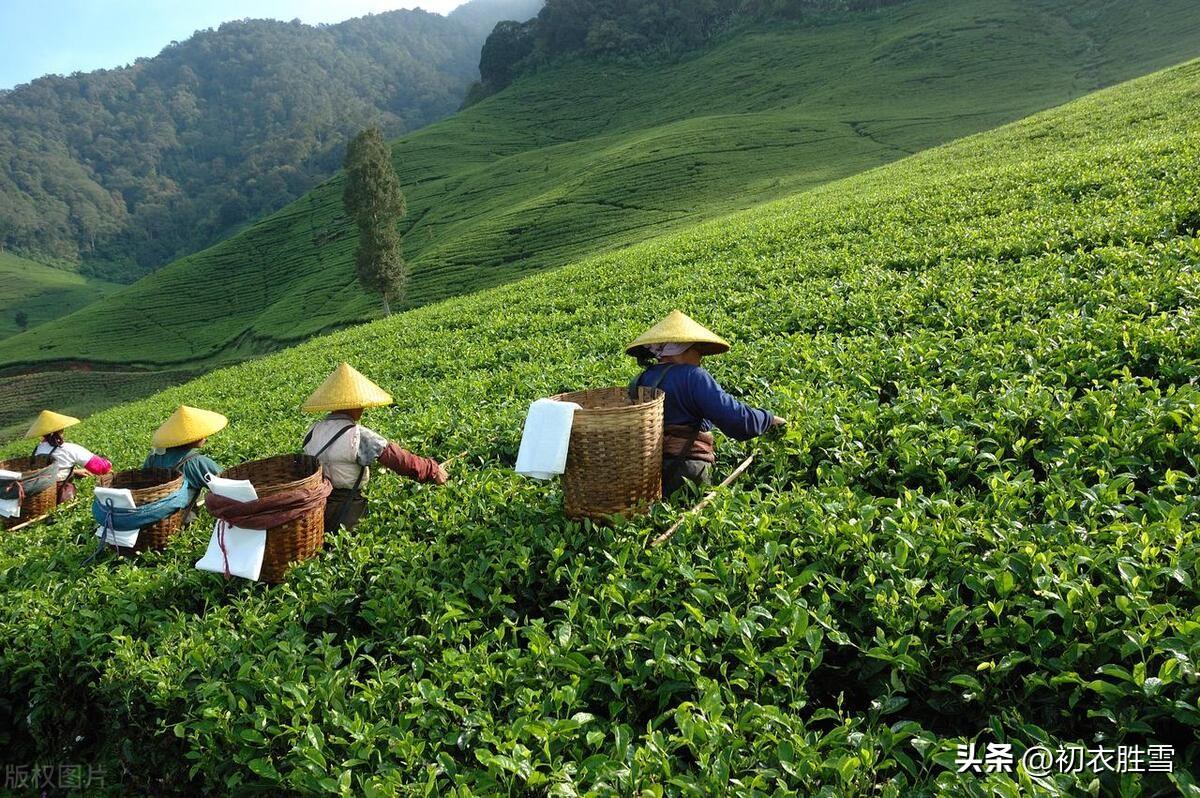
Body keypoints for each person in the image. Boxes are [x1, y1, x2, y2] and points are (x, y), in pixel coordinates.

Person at [626, 310, 785, 496]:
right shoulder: (693, 377)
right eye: (697, 350)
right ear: (682, 348)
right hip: (686, 474)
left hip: (647, 479)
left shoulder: (638, 381)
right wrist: (768, 419)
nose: (700, 358)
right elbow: (737, 421)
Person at [301, 362, 447, 533]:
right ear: (353, 405)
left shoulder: (312, 431)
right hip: (348, 507)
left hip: (318, 507)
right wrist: (432, 469)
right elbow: (398, 459)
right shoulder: (358, 436)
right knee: (351, 543)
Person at [143, 405, 227, 523]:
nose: (206, 438)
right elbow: (227, 484)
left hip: (151, 516)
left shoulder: (153, 457)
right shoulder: (197, 462)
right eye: (202, 434)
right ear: (192, 438)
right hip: (180, 519)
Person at [27, 410, 112, 503]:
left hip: (40, 495)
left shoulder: (38, 449)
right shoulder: (68, 448)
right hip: (60, 495)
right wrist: (107, 462)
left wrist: (74, 472)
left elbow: (49, 471)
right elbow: (101, 468)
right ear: (61, 431)